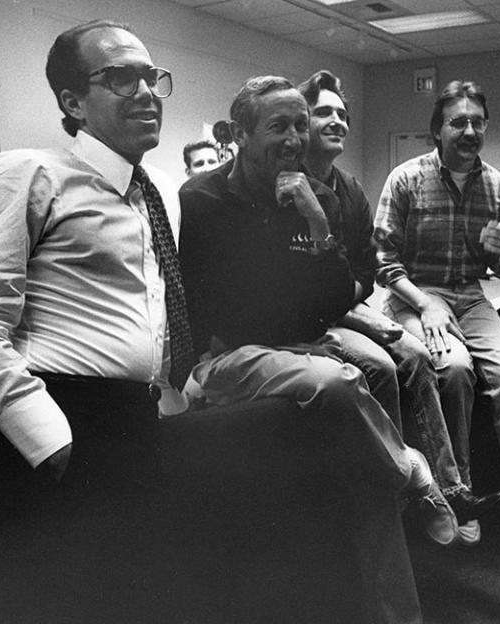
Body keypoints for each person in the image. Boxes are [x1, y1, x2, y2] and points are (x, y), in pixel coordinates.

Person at [0, 18, 196, 611]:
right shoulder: (23, 174)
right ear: (72, 101)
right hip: (51, 434)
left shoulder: (161, 191)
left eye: (151, 77)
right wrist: (49, 437)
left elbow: (154, 310)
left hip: (135, 429)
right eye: (120, 77)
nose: (145, 92)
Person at [178, 75, 437, 624]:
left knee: (367, 481)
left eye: (301, 124)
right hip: (231, 357)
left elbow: (340, 294)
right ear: (238, 135)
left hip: (302, 344)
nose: (296, 137)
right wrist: (301, 300)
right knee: (338, 380)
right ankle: (410, 470)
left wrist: (318, 224)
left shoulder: (312, 197)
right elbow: (226, 310)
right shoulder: (203, 199)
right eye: (279, 126)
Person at [297, 69, 500, 545]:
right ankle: (402, 493)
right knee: (382, 365)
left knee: (413, 354)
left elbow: (364, 271)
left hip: (341, 309)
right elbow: (312, 287)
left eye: (342, 114)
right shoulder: (290, 186)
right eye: (323, 112)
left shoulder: (347, 188)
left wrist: (358, 303)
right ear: (300, 122)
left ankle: (448, 490)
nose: (337, 121)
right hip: (313, 320)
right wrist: (364, 311)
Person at [373, 79, 500, 559]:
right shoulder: (406, 178)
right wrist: (426, 303)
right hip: (416, 295)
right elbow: (383, 258)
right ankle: (464, 496)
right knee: (454, 371)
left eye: (478, 122)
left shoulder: (497, 186)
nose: (470, 130)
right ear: (438, 130)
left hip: (472, 299)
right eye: (459, 122)